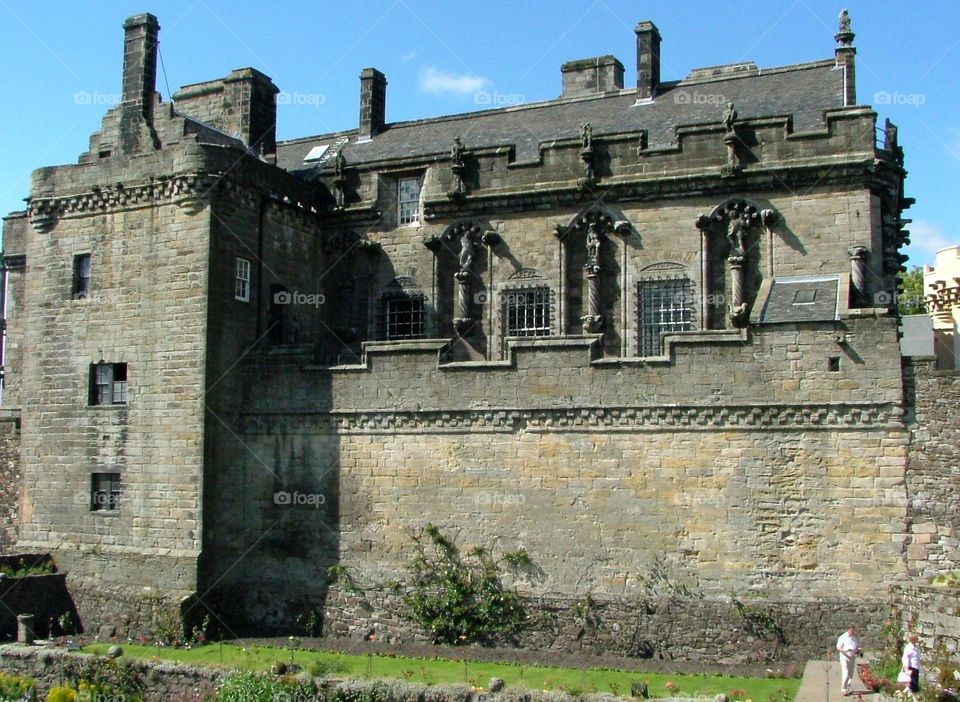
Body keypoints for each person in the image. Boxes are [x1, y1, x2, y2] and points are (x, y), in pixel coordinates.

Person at [836, 625, 861, 696]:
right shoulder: (843, 637)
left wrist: (858, 650)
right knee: (846, 672)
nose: (852, 632)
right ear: (848, 630)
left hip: (852, 657)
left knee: (850, 673)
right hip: (844, 657)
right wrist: (844, 650)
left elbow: (857, 646)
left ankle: (847, 688)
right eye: (851, 631)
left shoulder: (855, 637)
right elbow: (838, 647)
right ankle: (843, 688)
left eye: (853, 631)